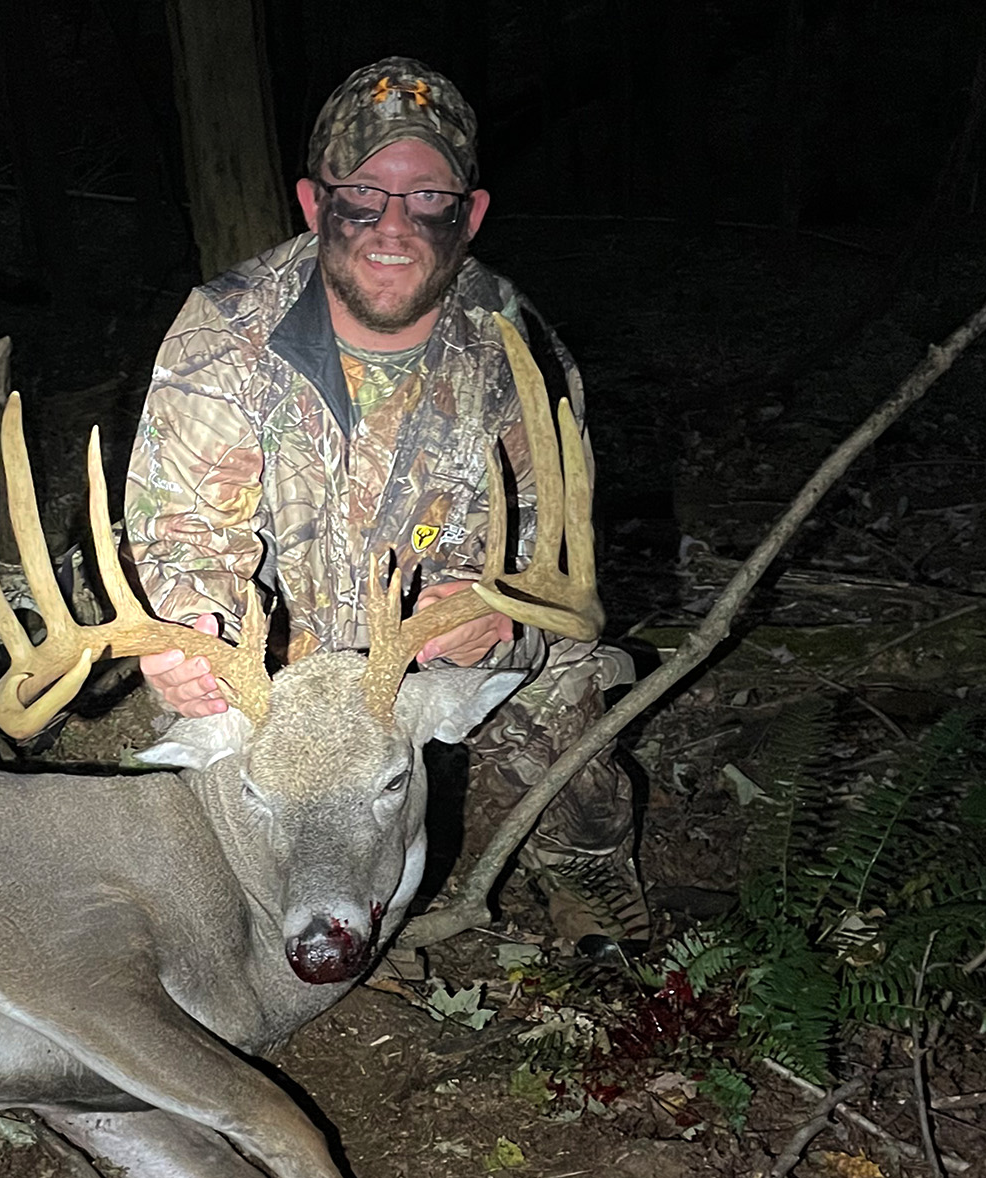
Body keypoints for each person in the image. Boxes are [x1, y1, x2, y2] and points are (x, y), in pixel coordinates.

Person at [121, 57, 648, 948]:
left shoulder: (517, 357)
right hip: (276, 667)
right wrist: (192, 629)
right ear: (313, 202)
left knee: (568, 714)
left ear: (469, 214)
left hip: (418, 669)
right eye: (362, 193)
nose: (392, 226)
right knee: (204, 759)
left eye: (428, 197)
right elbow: (180, 539)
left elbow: (554, 572)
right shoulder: (225, 333)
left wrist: (494, 617)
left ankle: (585, 869)